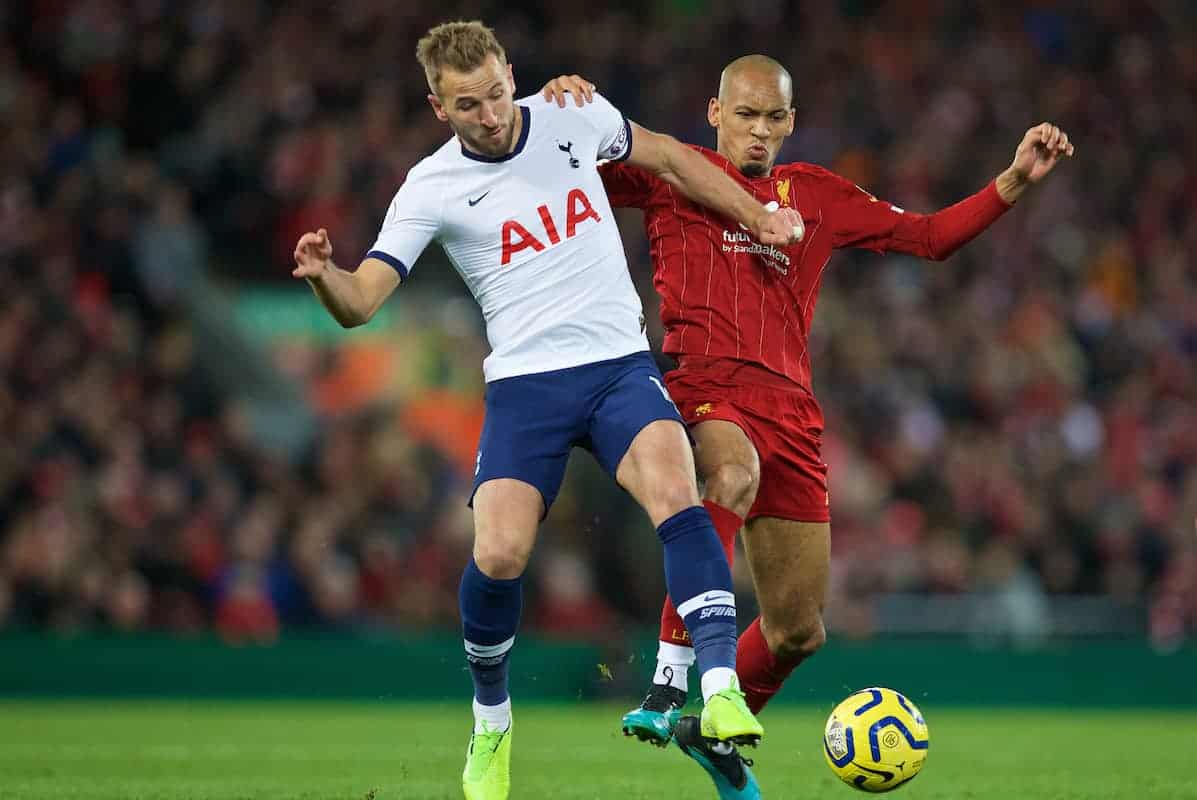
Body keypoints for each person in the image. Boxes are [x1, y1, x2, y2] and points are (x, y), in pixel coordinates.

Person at [291, 24, 805, 800]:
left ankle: (721, 688)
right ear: (439, 107)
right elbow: (362, 301)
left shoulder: (571, 114)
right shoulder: (429, 187)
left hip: (618, 369)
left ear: (511, 76)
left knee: (678, 493)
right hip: (526, 387)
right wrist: (324, 277)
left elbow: (667, 154)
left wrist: (758, 216)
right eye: (469, 105)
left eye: (498, 93)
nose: (492, 115)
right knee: (498, 555)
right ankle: (491, 725)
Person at [542, 56, 1073, 798]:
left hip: (792, 412)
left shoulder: (816, 193)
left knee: (798, 630)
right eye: (745, 115)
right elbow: (554, 172)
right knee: (729, 473)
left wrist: (1012, 180)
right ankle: (670, 684)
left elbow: (926, 238)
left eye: (773, 117)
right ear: (714, 112)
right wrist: (552, 108)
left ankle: (707, 730)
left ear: (789, 122)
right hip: (704, 387)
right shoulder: (673, 171)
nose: (758, 131)